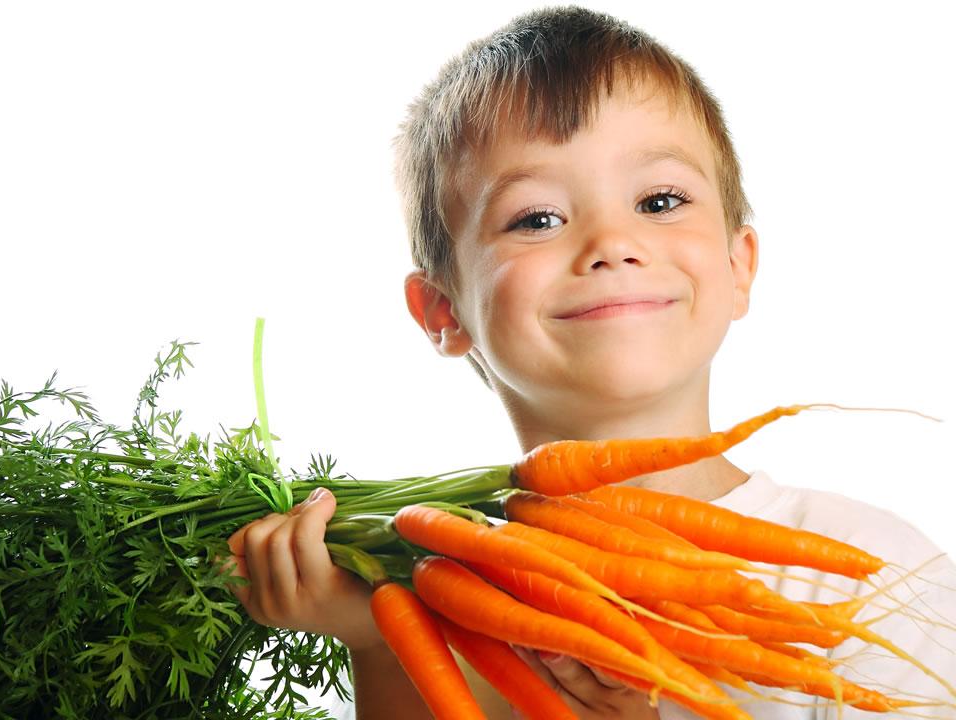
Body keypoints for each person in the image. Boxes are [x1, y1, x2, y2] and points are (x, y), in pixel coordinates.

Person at [226, 5, 956, 718]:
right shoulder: (441, 603)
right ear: (443, 312)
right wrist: (378, 641)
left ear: (740, 267)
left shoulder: (864, 573)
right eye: (537, 219)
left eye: (660, 200)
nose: (612, 241)